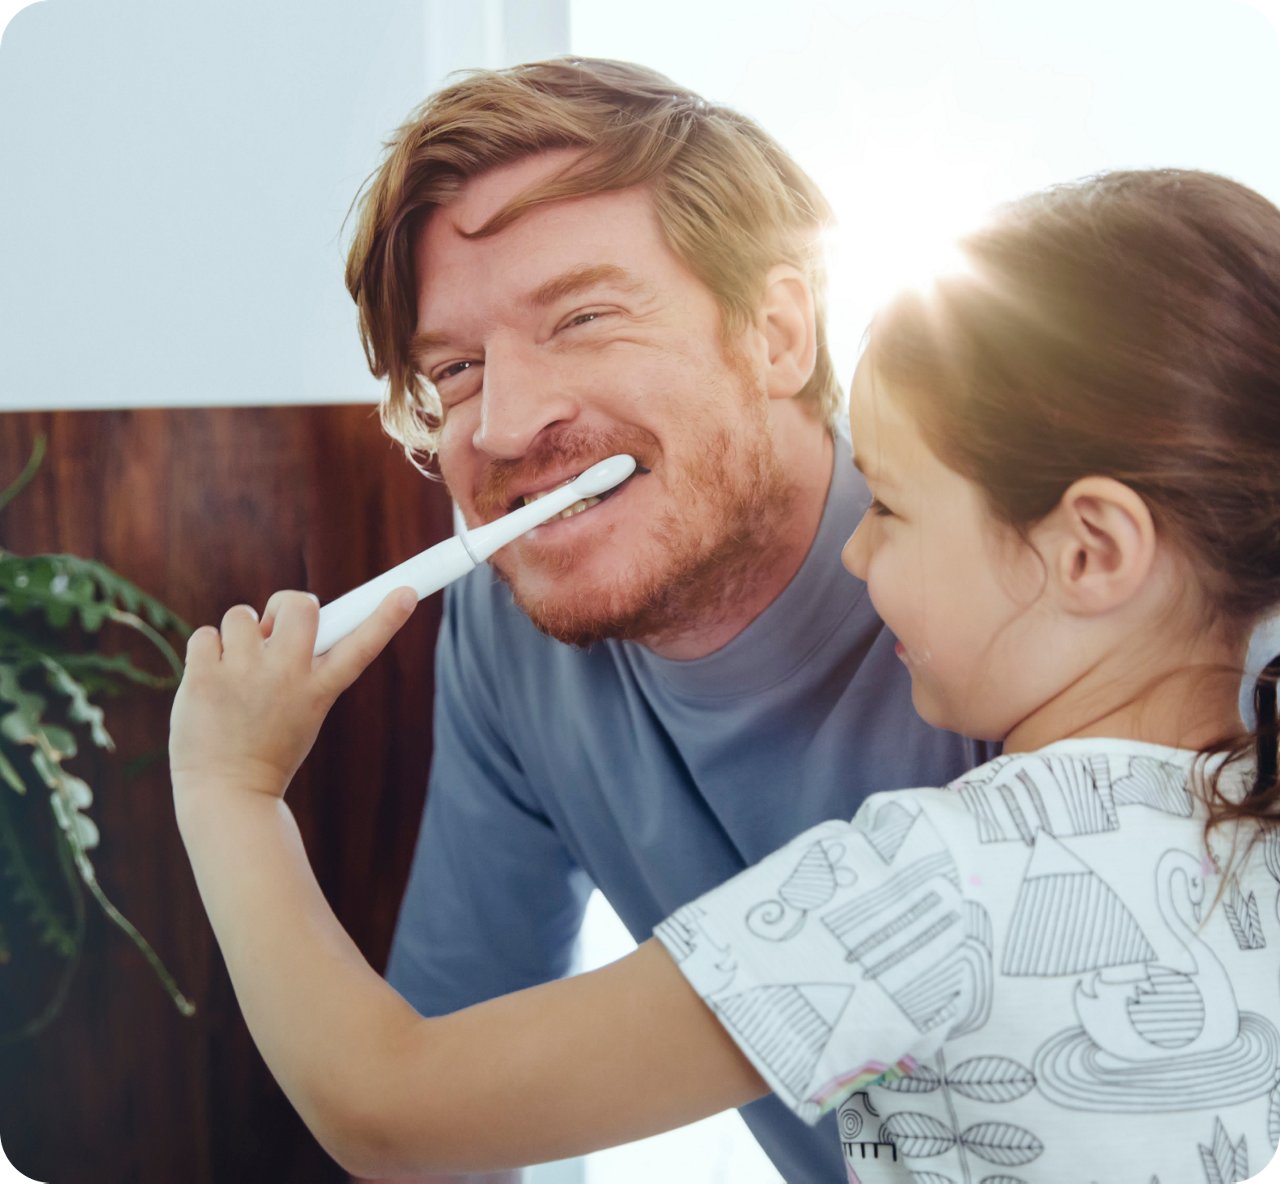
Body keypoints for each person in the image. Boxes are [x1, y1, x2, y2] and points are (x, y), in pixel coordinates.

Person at [171, 165, 1280, 1181]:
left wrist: (231, 790)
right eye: (452, 370)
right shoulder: (1251, 834)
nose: (858, 551)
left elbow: (390, 1106)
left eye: (886, 505)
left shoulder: (927, 880)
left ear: (1090, 550)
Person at [340, 57, 990, 1183]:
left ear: (778, 331)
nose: (501, 425)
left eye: (583, 316)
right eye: (453, 368)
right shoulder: (510, 637)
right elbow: (448, 1110)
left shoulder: (1018, 591)